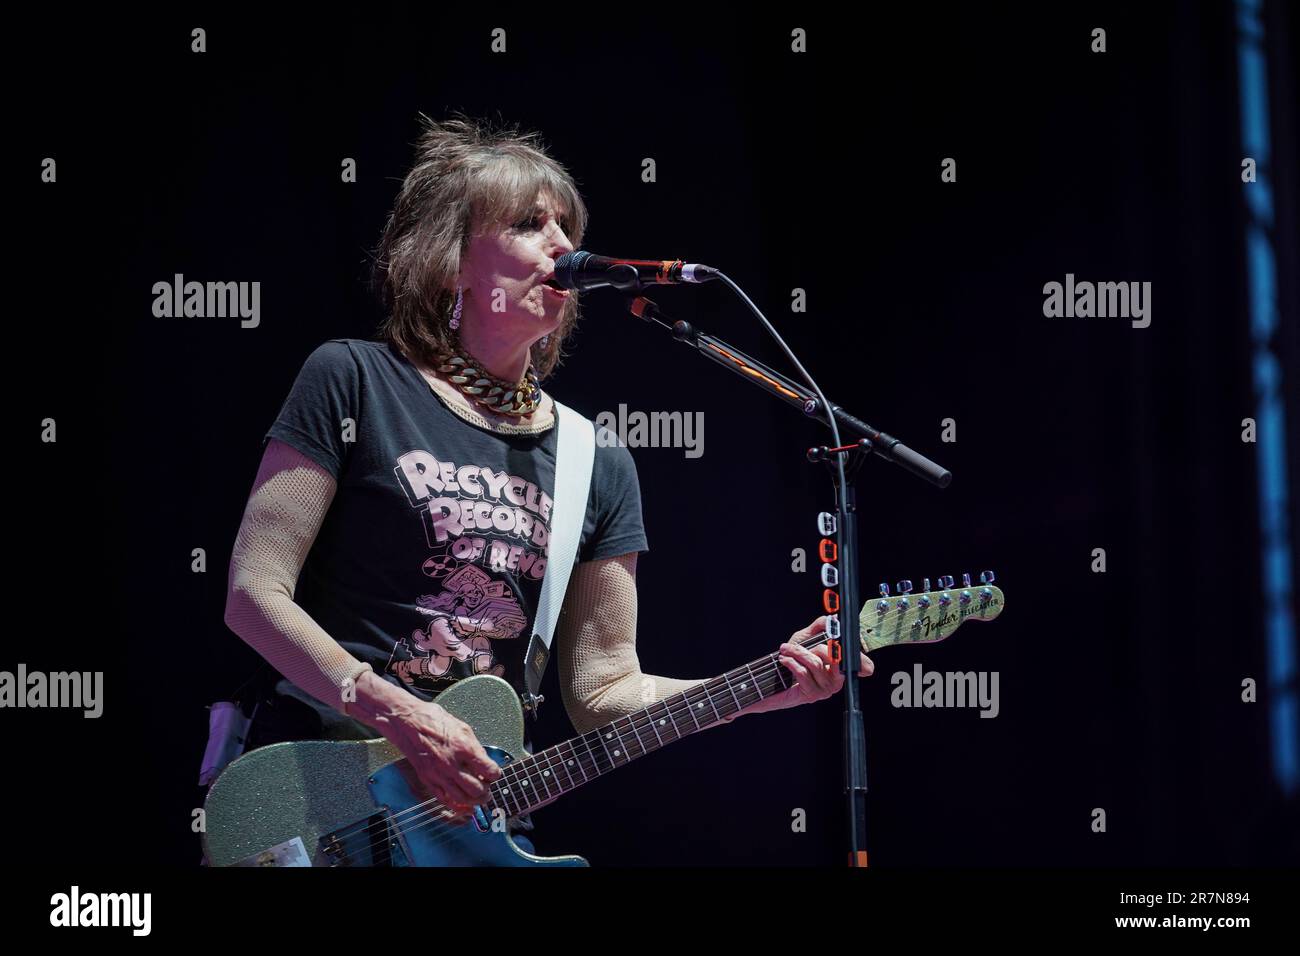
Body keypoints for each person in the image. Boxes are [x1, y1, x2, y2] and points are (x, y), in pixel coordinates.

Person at [222, 114, 873, 854]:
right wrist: (399, 712)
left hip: (476, 822)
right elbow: (254, 594)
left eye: (568, 225)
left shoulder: (595, 460)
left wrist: (764, 689)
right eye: (531, 224)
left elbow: (605, 694)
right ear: (448, 261)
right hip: (321, 800)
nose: (565, 247)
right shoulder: (354, 380)